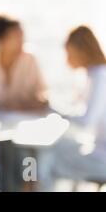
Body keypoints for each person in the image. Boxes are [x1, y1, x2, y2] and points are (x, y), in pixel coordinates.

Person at [39, 25, 106, 191]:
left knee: (44, 161)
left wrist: (53, 109)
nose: (67, 59)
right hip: (97, 149)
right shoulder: (93, 75)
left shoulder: (100, 76)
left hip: (102, 158)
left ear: (81, 51)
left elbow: (86, 121)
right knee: (57, 150)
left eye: (69, 53)